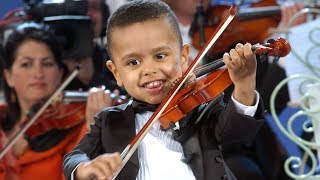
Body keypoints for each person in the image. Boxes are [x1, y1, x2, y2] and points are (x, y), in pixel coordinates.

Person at [63, 1, 265, 179]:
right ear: (116, 73)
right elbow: (73, 157)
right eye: (133, 62)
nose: (149, 70)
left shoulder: (201, 110)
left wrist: (244, 86)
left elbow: (236, 133)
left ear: (184, 57)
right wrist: (85, 168)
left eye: (160, 56)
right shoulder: (108, 121)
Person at [0, 22, 113, 179]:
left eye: (47, 63)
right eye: (26, 64)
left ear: (60, 73)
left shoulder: (76, 128)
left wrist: (92, 129)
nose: (38, 73)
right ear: (8, 76)